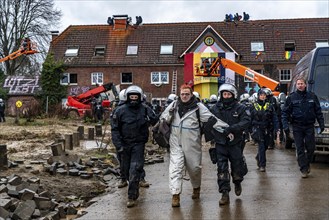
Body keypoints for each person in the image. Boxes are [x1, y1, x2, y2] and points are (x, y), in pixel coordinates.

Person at [160, 84, 228, 208]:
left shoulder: (198, 108)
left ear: (191, 95)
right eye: (182, 94)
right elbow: (163, 118)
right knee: (175, 169)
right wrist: (162, 126)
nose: (184, 96)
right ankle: (175, 195)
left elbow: (211, 119)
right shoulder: (174, 105)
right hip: (175, 143)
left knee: (195, 169)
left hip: (192, 144)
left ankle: (196, 187)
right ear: (179, 95)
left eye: (187, 94)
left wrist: (228, 129)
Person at [111, 85, 158, 207]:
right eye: (131, 96)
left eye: (135, 96)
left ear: (139, 97)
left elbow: (155, 121)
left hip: (138, 144)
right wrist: (118, 145)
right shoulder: (119, 110)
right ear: (127, 97)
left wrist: (153, 116)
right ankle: (130, 185)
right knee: (126, 171)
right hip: (124, 145)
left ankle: (131, 196)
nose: (133, 99)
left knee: (135, 169)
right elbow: (114, 129)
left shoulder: (144, 109)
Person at [209, 83, 250, 206]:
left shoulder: (240, 108)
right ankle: (224, 192)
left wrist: (232, 129)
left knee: (237, 166)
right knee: (222, 168)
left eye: (228, 94)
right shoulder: (215, 108)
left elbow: (246, 121)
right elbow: (208, 121)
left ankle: (237, 182)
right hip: (220, 143)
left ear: (233, 95)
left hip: (235, 142)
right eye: (224, 94)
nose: (226, 96)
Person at [281, 78, 324, 178]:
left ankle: (307, 163)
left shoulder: (312, 96)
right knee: (300, 148)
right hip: (297, 126)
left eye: (302, 83)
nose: (300, 85)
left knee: (311, 148)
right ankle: (303, 168)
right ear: (296, 85)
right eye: (298, 84)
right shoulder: (291, 97)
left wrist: (321, 124)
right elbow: (284, 113)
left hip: (309, 126)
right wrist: (285, 126)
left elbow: (318, 111)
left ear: (305, 85)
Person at [250, 89, 279, 172]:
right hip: (257, 128)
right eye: (261, 95)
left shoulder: (269, 106)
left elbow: (274, 117)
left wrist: (277, 128)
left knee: (266, 145)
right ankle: (262, 165)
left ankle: (258, 157)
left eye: (264, 95)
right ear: (258, 96)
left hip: (267, 128)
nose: (262, 96)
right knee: (262, 146)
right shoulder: (253, 106)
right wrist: (248, 130)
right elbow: (249, 119)